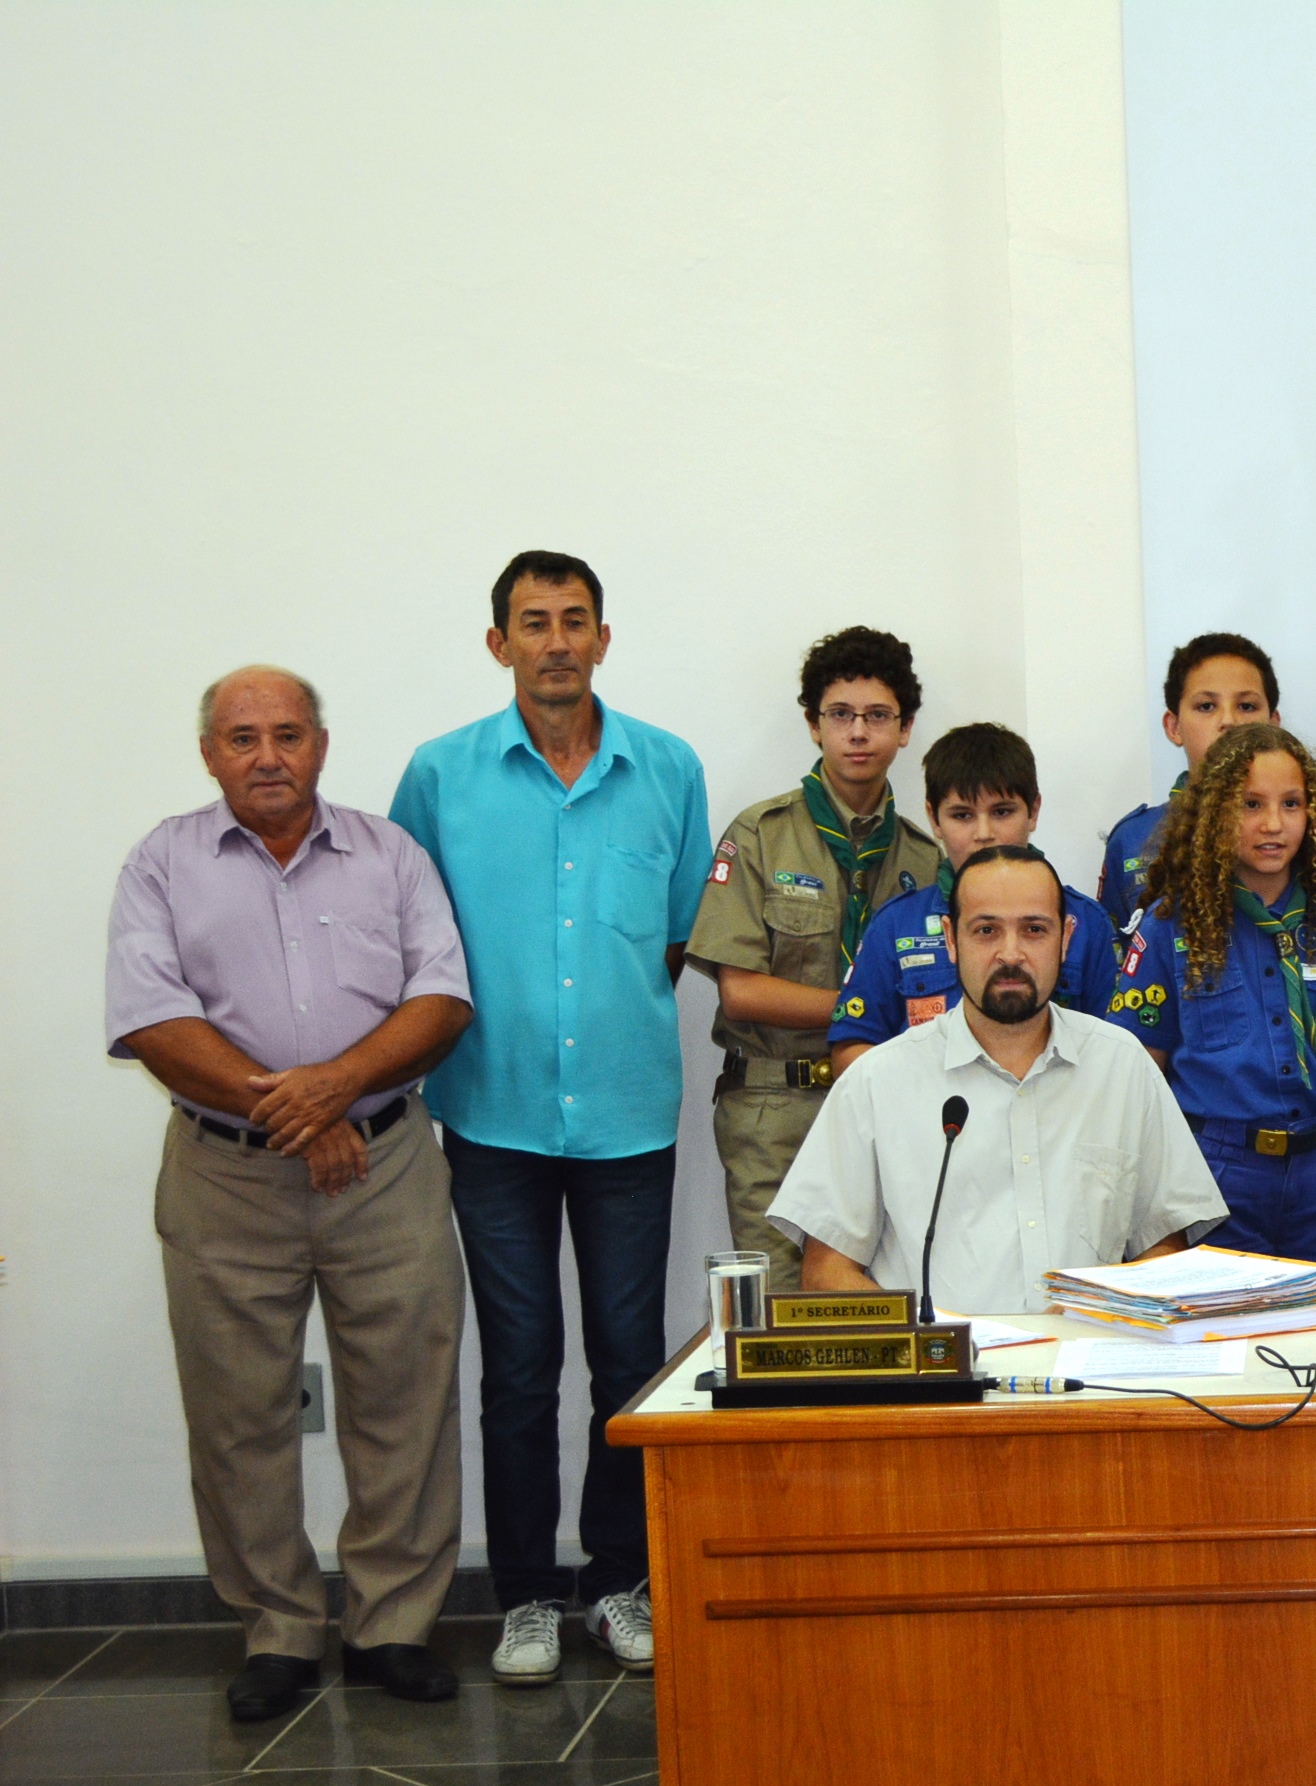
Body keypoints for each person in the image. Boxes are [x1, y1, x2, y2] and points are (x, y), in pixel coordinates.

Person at [108, 668, 476, 1721]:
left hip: (386, 1164)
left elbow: (442, 996)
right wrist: (300, 1112)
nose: (266, 755)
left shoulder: (390, 855)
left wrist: (338, 1090)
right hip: (227, 1174)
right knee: (236, 1410)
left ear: (321, 743)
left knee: (403, 1397)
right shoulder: (163, 863)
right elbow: (150, 1018)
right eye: (242, 737)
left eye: (287, 733)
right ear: (209, 753)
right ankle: (275, 1628)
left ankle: (392, 1623)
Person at [388, 551, 711, 1687]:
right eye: (534, 622)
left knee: (627, 1358)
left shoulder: (669, 768)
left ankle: (618, 1578)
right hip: (491, 1113)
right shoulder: (440, 775)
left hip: (627, 1113)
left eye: (576, 620)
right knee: (519, 1365)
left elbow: (674, 939)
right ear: (499, 645)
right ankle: (525, 1592)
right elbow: (410, 936)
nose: (557, 640)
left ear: (604, 639)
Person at [772, 847, 1224, 1310]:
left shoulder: (1122, 1066)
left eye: (1034, 930)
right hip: (941, 1373)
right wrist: (934, 1346)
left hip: (1087, 1369)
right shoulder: (876, 1081)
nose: (1011, 954)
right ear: (950, 940)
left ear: (1066, 939)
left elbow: (1163, 1248)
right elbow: (827, 1272)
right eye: (986, 930)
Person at [684, 628, 941, 1289]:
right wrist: (867, 1012)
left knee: (882, 1294)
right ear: (813, 724)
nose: (859, 732)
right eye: (841, 715)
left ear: (905, 728)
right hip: (777, 1105)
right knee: (776, 1306)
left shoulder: (924, 857)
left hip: (890, 1102)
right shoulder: (761, 836)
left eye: (877, 716)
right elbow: (740, 991)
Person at [1109, 722, 1316, 1274]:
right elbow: (1139, 1083)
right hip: (1217, 1177)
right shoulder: (1172, 929)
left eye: (1291, 804)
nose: (1273, 824)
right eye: (1250, 804)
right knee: (1227, 1347)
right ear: (1215, 814)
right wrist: (1153, 1223)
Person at [829, 723, 1118, 1075]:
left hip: (1054, 1117)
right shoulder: (895, 924)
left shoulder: (1087, 922)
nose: (984, 834)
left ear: (1034, 811)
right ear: (934, 819)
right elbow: (850, 1047)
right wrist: (924, 1091)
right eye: (962, 815)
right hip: (934, 1122)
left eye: (1002, 812)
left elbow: (1115, 1049)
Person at [1098, 632, 1278, 925]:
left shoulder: (1304, 828)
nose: (1229, 721)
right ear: (1174, 727)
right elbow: (1117, 955)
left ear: (1273, 725)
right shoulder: (1133, 840)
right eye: (1206, 706)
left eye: (1246, 706)